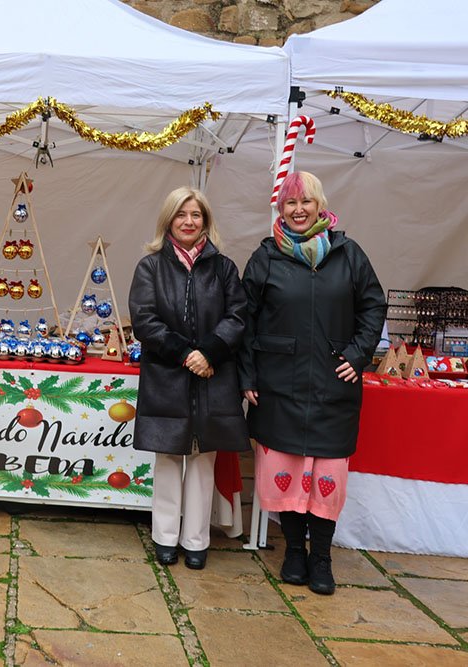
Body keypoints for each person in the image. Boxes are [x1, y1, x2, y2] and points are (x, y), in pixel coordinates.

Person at [238, 171, 385, 595]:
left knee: (328, 475)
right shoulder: (266, 257)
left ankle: (321, 556)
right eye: (290, 203)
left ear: (321, 207)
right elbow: (244, 320)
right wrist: (247, 374)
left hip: (332, 383)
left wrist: (358, 354)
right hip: (278, 384)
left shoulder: (348, 254)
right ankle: (293, 554)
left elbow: (373, 307)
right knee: (282, 470)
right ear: (280, 210)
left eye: (306, 202)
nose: (298, 210)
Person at [129, 187, 250, 570]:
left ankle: (196, 540)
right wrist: (186, 354)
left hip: (213, 379)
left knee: (203, 460)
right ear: (169, 220)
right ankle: (165, 537)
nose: (189, 221)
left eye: (196, 215)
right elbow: (145, 321)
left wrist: (210, 351)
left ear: (206, 221)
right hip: (167, 376)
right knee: (168, 458)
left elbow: (238, 316)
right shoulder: (150, 267)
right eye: (181, 214)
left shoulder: (224, 268)